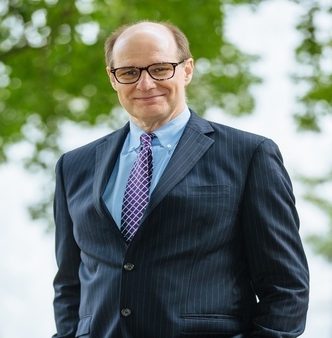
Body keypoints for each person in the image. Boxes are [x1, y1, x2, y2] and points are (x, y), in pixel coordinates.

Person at [52, 20, 309, 338]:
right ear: (112, 78)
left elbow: (285, 287)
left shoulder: (249, 155)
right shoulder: (74, 166)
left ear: (186, 70)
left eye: (160, 69)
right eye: (129, 72)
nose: (145, 84)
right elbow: (68, 284)